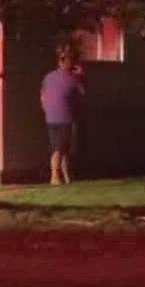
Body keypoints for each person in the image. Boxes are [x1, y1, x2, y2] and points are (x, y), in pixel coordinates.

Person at [40, 46, 86, 185]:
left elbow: (42, 95)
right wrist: (81, 76)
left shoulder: (48, 77)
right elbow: (83, 94)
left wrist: (46, 109)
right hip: (64, 117)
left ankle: (67, 178)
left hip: (50, 117)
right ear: (69, 63)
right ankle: (54, 177)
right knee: (59, 149)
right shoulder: (72, 78)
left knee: (62, 148)